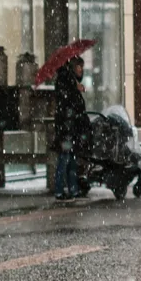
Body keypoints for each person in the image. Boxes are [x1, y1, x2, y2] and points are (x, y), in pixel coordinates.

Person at [53, 56, 88, 201]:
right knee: (65, 158)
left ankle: (73, 190)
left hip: (72, 128)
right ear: (73, 68)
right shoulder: (66, 83)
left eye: (82, 67)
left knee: (72, 159)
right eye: (79, 67)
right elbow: (67, 104)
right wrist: (76, 88)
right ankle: (59, 191)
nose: (81, 70)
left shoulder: (71, 83)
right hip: (67, 128)